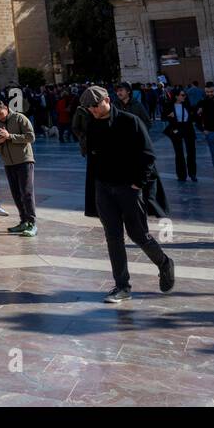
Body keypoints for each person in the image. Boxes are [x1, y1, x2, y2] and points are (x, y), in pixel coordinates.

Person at [81, 86, 175, 304]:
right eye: (89, 108)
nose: (93, 111)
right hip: (104, 189)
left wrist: (137, 184)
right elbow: (92, 159)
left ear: (106, 100)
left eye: (95, 106)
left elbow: (148, 156)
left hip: (128, 189)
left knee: (139, 235)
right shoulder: (93, 124)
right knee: (113, 237)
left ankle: (164, 263)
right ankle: (122, 286)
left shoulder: (129, 121)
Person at [0, 99, 37, 236]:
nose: (0, 116)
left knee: (27, 193)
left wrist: (10, 136)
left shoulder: (19, 118)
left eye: (1, 113)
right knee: (16, 194)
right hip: (8, 163)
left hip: (24, 160)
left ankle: (32, 223)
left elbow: (31, 137)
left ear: (6, 108)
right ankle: (23, 221)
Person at [161, 88, 198, 182]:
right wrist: (169, 115)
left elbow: (194, 115)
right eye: (182, 95)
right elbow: (163, 116)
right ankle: (181, 175)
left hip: (188, 128)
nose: (184, 96)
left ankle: (192, 173)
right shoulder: (169, 105)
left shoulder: (187, 104)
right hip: (176, 128)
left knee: (191, 152)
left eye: (184, 95)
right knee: (179, 153)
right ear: (176, 96)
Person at [197, 82, 214, 181]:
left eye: (211, 91)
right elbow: (196, 117)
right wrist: (203, 129)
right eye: (207, 92)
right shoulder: (203, 102)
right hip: (211, 133)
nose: (209, 94)